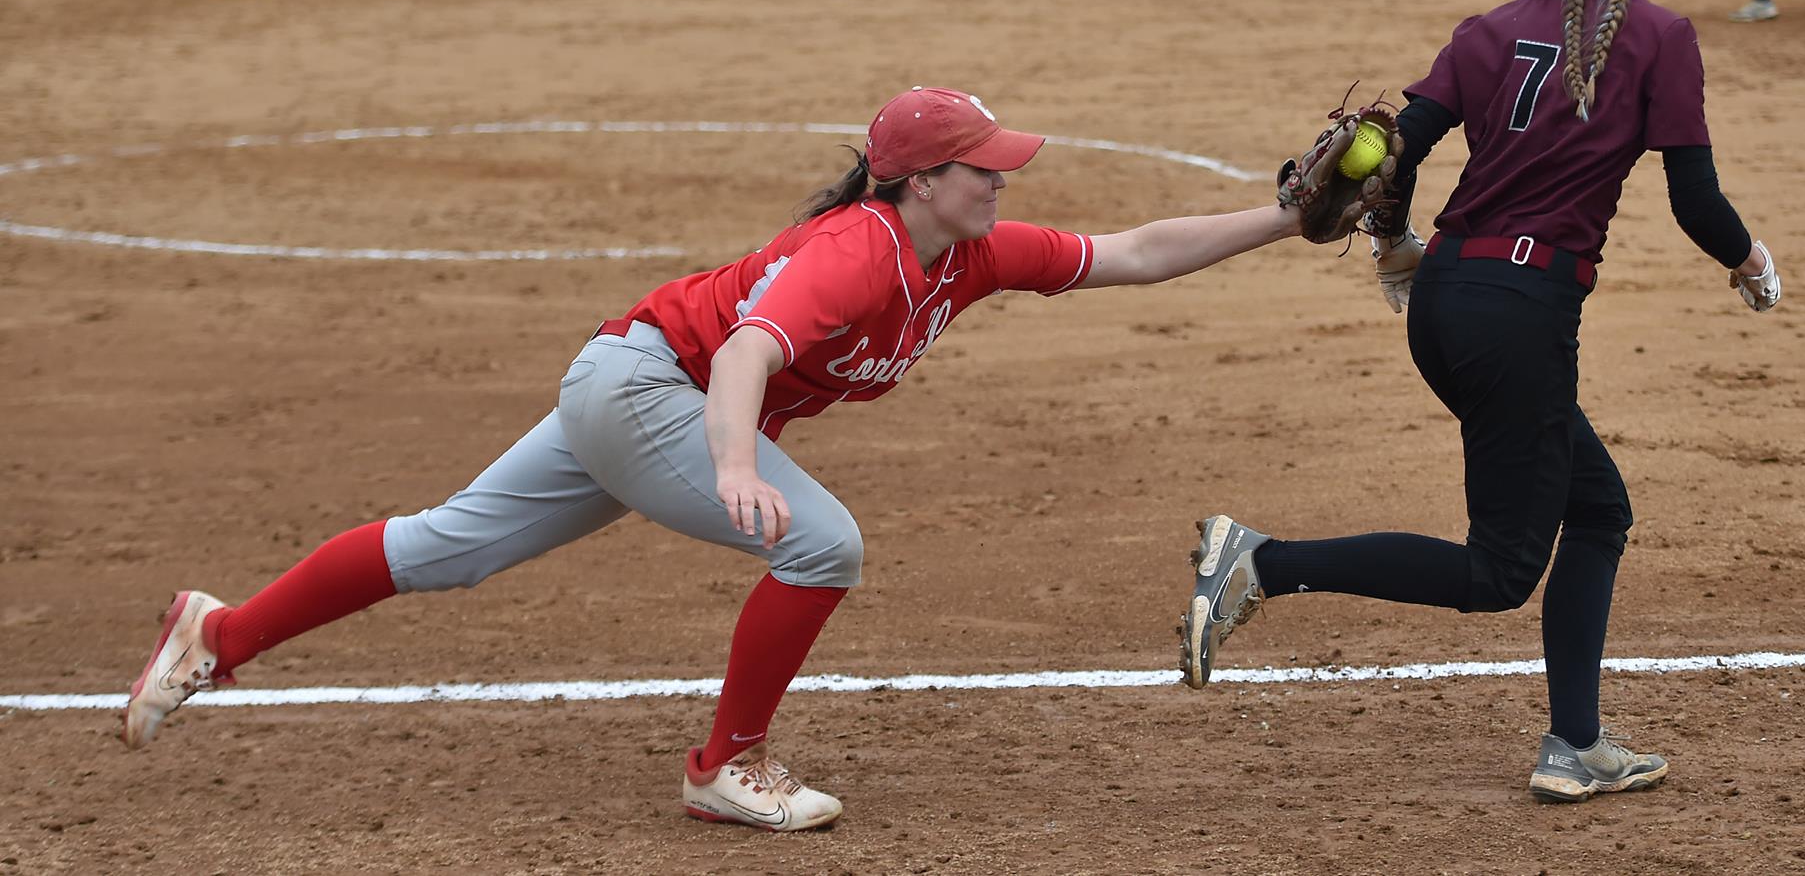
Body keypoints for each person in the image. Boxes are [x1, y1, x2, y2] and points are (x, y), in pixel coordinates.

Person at [122, 86, 1308, 831]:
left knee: (447, 549)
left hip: (625, 379)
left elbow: (1138, 252)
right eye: (982, 164)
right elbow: (748, 347)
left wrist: (1286, 219)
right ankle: (723, 766)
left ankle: (216, 636)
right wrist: (734, 462)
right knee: (824, 547)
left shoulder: (972, 253)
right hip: (660, 393)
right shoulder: (859, 248)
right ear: (918, 182)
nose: (1004, 177)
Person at [1177, 0, 1785, 804]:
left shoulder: (1485, 33)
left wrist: (1390, 245)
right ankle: (1263, 562)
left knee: (1596, 511)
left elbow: (1389, 152)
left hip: (1449, 302)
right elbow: (1693, 199)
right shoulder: (1659, 36)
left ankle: (1575, 743)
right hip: (1520, 316)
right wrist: (1746, 261)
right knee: (1498, 571)